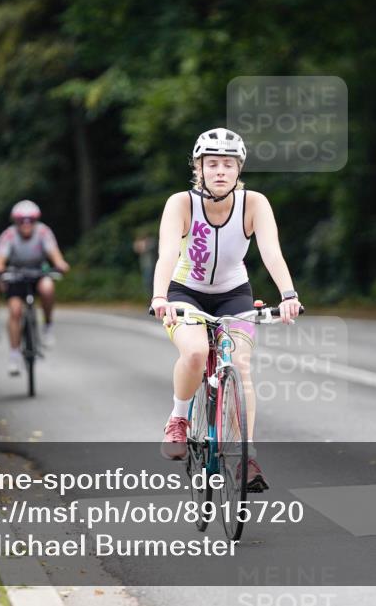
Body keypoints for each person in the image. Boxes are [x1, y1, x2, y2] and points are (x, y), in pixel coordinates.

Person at [150, 127, 302, 492]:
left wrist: (288, 294)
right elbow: (168, 253)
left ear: (239, 170)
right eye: (212, 164)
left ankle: (245, 457)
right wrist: (159, 298)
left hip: (235, 293)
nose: (220, 171)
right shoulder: (181, 203)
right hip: (185, 292)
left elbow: (271, 251)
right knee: (197, 351)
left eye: (228, 165)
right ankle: (178, 418)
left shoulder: (255, 203)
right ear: (198, 168)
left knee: (242, 366)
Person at [0, 200, 71, 376]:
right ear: (16, 222)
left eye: (30, 220)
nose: (26, 225)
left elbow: (55, 255)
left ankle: (48, 326)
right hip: (16, 275)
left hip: (38, 273)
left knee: (48, 288)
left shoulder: (43, 232)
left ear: (36, 221)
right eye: (22, 221)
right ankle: (14, 355)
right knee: (14, 311)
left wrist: (60, 264)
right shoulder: (8, 236)